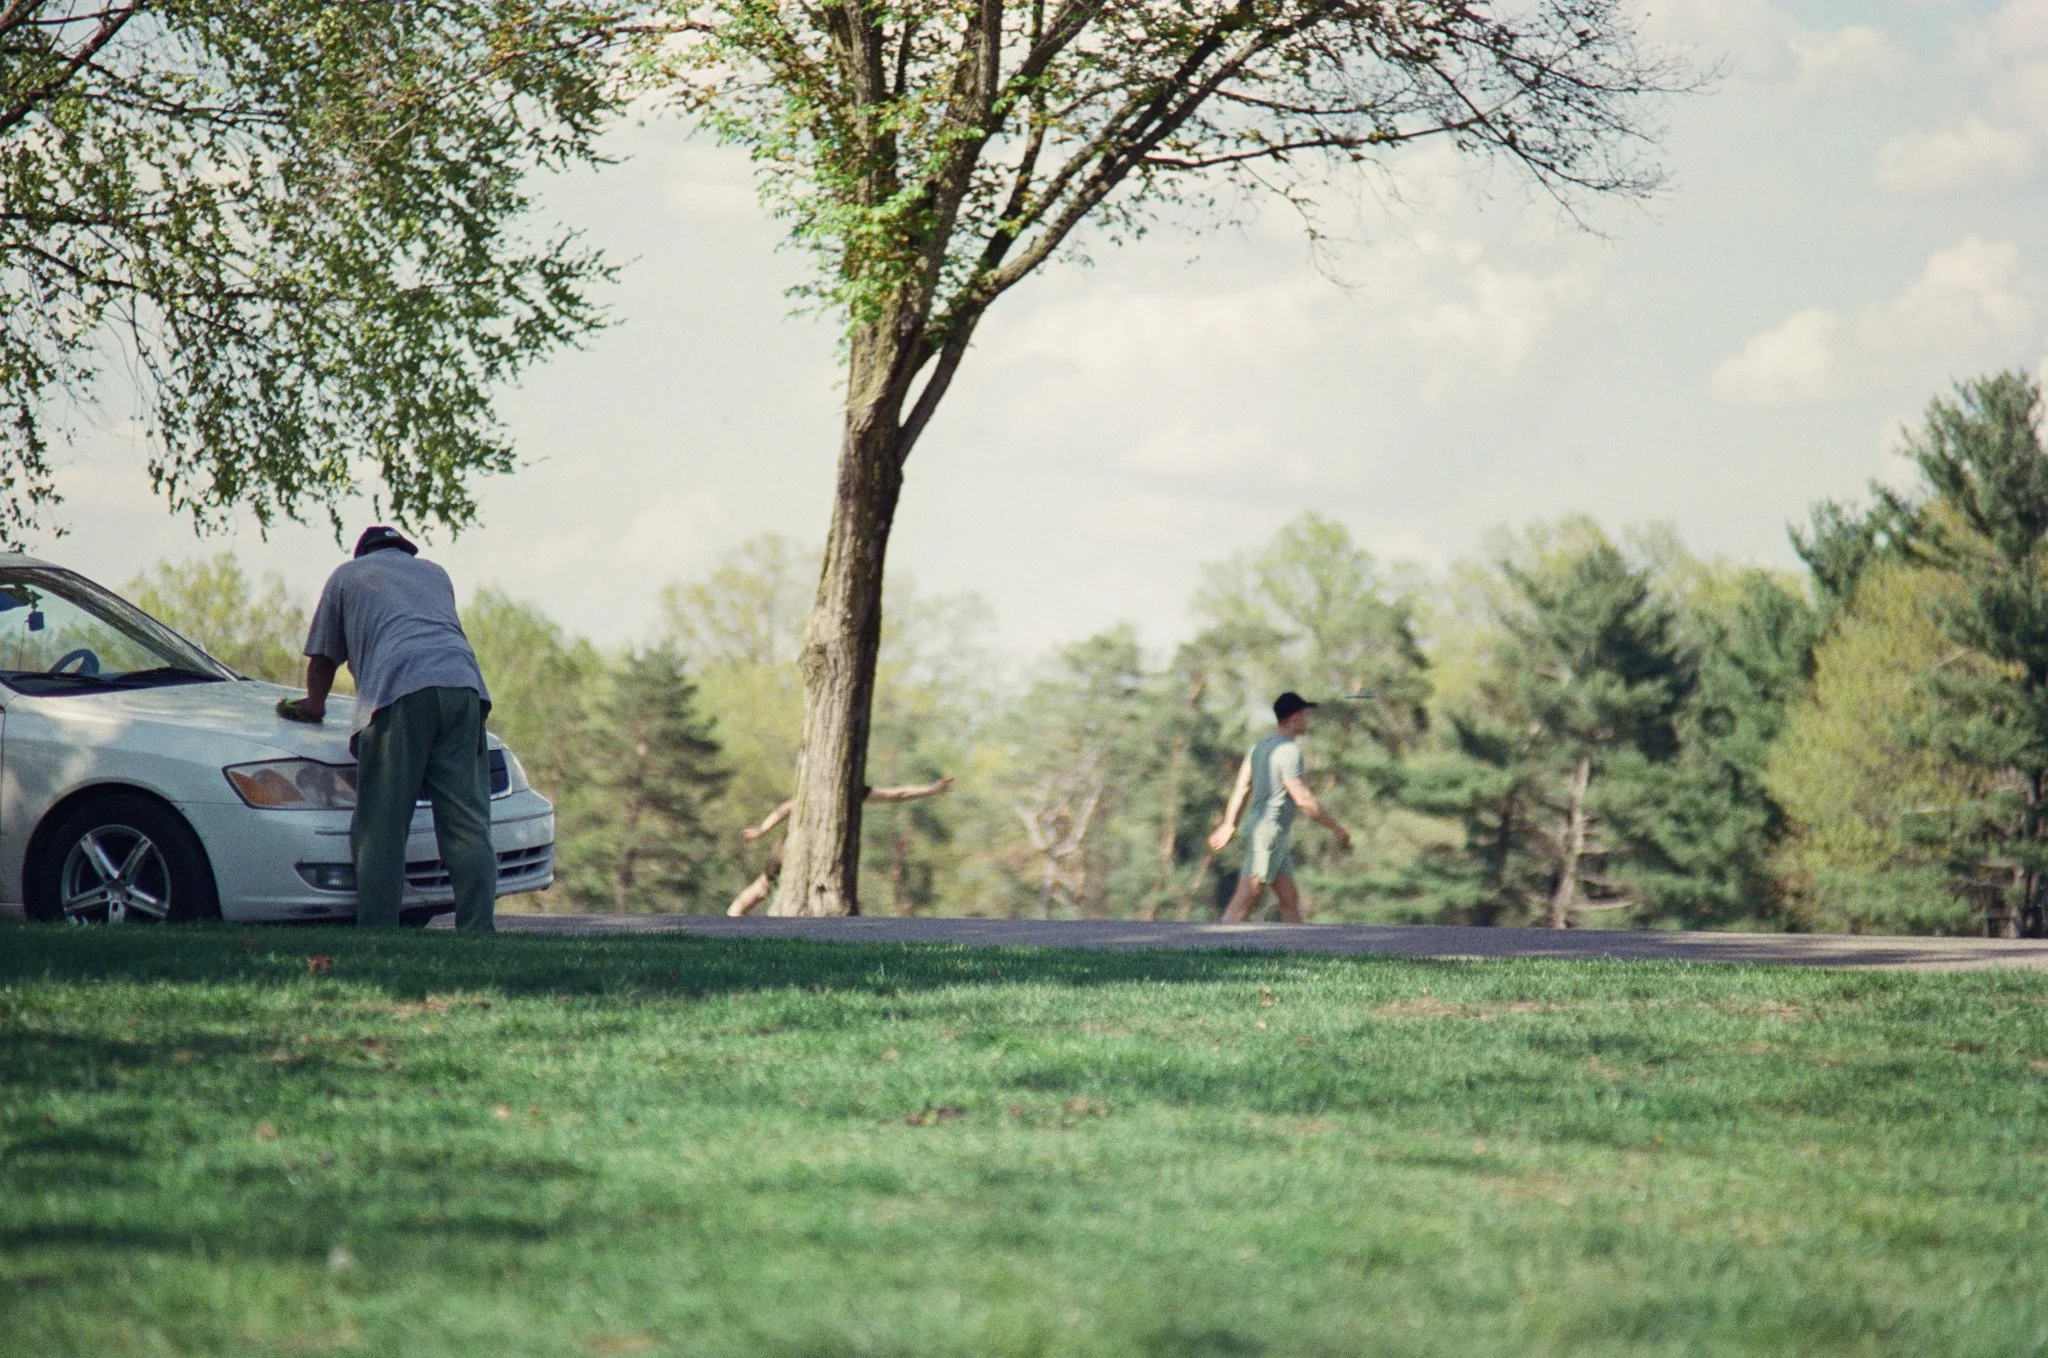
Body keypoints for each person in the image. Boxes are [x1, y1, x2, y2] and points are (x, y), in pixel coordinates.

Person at [278, 526, 497, 932]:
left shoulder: (348, 575)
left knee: (382, 826)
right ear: (406, 550)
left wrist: (314, 704)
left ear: (363, 552)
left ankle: (377, 931)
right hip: (464, 688)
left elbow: (324, 658)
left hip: (399, 690)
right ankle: (478, 932)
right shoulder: (434, 573)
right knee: (467, 824)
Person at [1206, 692, 1350, 923]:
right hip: (1268, 831)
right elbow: (1303, 799)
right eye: (1305, 715)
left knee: (1289, 898)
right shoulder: (1288, 752)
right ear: (1294, 717)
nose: (1308, 720)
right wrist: (1336, 827)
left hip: (1267, 831)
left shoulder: (1260, 747)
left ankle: (1297, 952)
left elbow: (1242, 787)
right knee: (1248, 894)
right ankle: (1215, 948)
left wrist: (1229, 823)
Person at [727, 776, 955, 916]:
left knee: (767, 886)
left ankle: (734, 917)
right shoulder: (819, 789)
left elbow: (897, 794)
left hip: (824, 852)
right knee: (764, 886)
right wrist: (762, 829)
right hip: (794, 848)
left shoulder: (854, 791)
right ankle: (731, 919)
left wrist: (930, 790)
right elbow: (787, 808)